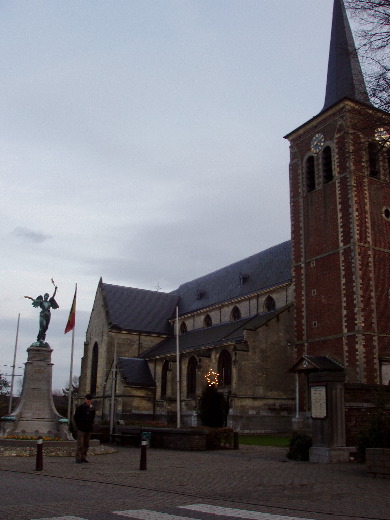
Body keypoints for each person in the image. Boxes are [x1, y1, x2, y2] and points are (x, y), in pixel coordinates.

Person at [74, 394, 95, 463]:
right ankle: (78, 457)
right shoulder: (80, 408)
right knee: (80, 443)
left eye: (90, 399)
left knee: (86, 444)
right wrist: (79, 426)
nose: (88, 401)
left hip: (88, 428)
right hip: (81, 428)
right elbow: (76, 417)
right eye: (87, 399)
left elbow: (92, 418)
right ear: (85, 399)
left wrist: (91, 426)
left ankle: (83, 457)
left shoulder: (92, 409)